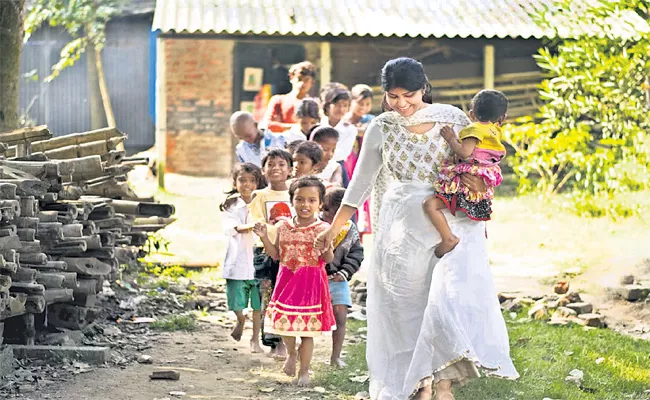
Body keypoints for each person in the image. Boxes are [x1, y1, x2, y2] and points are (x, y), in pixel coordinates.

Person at [314, 57, 518, 400]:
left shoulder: (451, 117)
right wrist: (332, 229)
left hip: (452, 223)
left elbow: (482, 158)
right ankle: (417, 383)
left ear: (424, 87)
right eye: (393, 96)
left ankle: (443, 384)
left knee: (446, 302)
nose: (402, 104)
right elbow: (361, 183)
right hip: (402, 229)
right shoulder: (382, 126)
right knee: (407, 307)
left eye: (408, 94)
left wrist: (481, 186)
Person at [253, 176, 336, 387]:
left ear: (320, 203)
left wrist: (326, 248)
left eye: (311, 200)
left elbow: (328, 260)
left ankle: (304, 372)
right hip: (286, 281)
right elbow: (276, 255)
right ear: (292, 201)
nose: (305, 205)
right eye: (299, 199)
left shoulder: (323, 228)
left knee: (307, 332)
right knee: (284, 327)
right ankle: (291, 353)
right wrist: (264, 237)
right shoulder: (283, 226)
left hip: (310, 285)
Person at [424, 89, 508, 257]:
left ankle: (448, 238)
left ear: (471, 114)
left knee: (430, 205)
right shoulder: (495, 132)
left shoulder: (475, 130)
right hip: (482, 185)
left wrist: (451, 139)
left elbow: (465, 152)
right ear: (502, 118)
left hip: (464, 185)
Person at [248, 148, 294, 358]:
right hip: (265, 251)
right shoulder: (259, 196)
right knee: (267, 295)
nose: (276, 168)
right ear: (263, 171)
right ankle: (273, 343)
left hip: (291, 252)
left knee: (287, 296)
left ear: (290, 170)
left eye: (281, 164)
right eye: (271, 164)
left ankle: (287, 341)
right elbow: (258, 223)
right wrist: (281, 229)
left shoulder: (295, 193)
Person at [220, 163, 266, 353]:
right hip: (237, 261)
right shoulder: (230, 206)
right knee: (236, 302)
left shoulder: (263, 202)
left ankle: (255, 339)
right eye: (242, 180)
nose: (247, 184)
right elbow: (235, 228)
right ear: (235, 182)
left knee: (258, 304)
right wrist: (256, 225)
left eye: (252, 180)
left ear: (258, 182)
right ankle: (240, 319)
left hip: (259, 261)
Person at [321, 187, 364, 368]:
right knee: (307, 317)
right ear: (324, 209)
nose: (338, 219)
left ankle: (335, 356)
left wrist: (344, 272)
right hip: (315, 280)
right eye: (333, 212)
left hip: (338, 279)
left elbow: (356, 254)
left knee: (341, 316)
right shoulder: (316, 227)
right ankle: (300, 351)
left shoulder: (349, 230)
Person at [343, 84, 376, 236]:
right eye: (360, 103)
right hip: (347, 163)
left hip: (362, 163)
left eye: (367, 104)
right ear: (352, 101)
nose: (363, 107)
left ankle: (362, 231)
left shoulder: (371, 120)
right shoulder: (343, 120)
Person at [263, 61, 317, 133]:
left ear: (312, 82)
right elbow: (268, 125)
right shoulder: (278, 100)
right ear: (291, 78)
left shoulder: (315, 104)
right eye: (299, 79)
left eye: (306, 80)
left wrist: (282, 125)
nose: (302, 84)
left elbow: (317, 128)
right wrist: (299, 127)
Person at [320, 84, 357, 187]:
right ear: (327, 105)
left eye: (345, 105)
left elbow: (342, 153)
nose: (341, 109)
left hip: (337, 168)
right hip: (316, 168)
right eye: (337, 104)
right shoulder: (318, 126)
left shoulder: (349, 129)